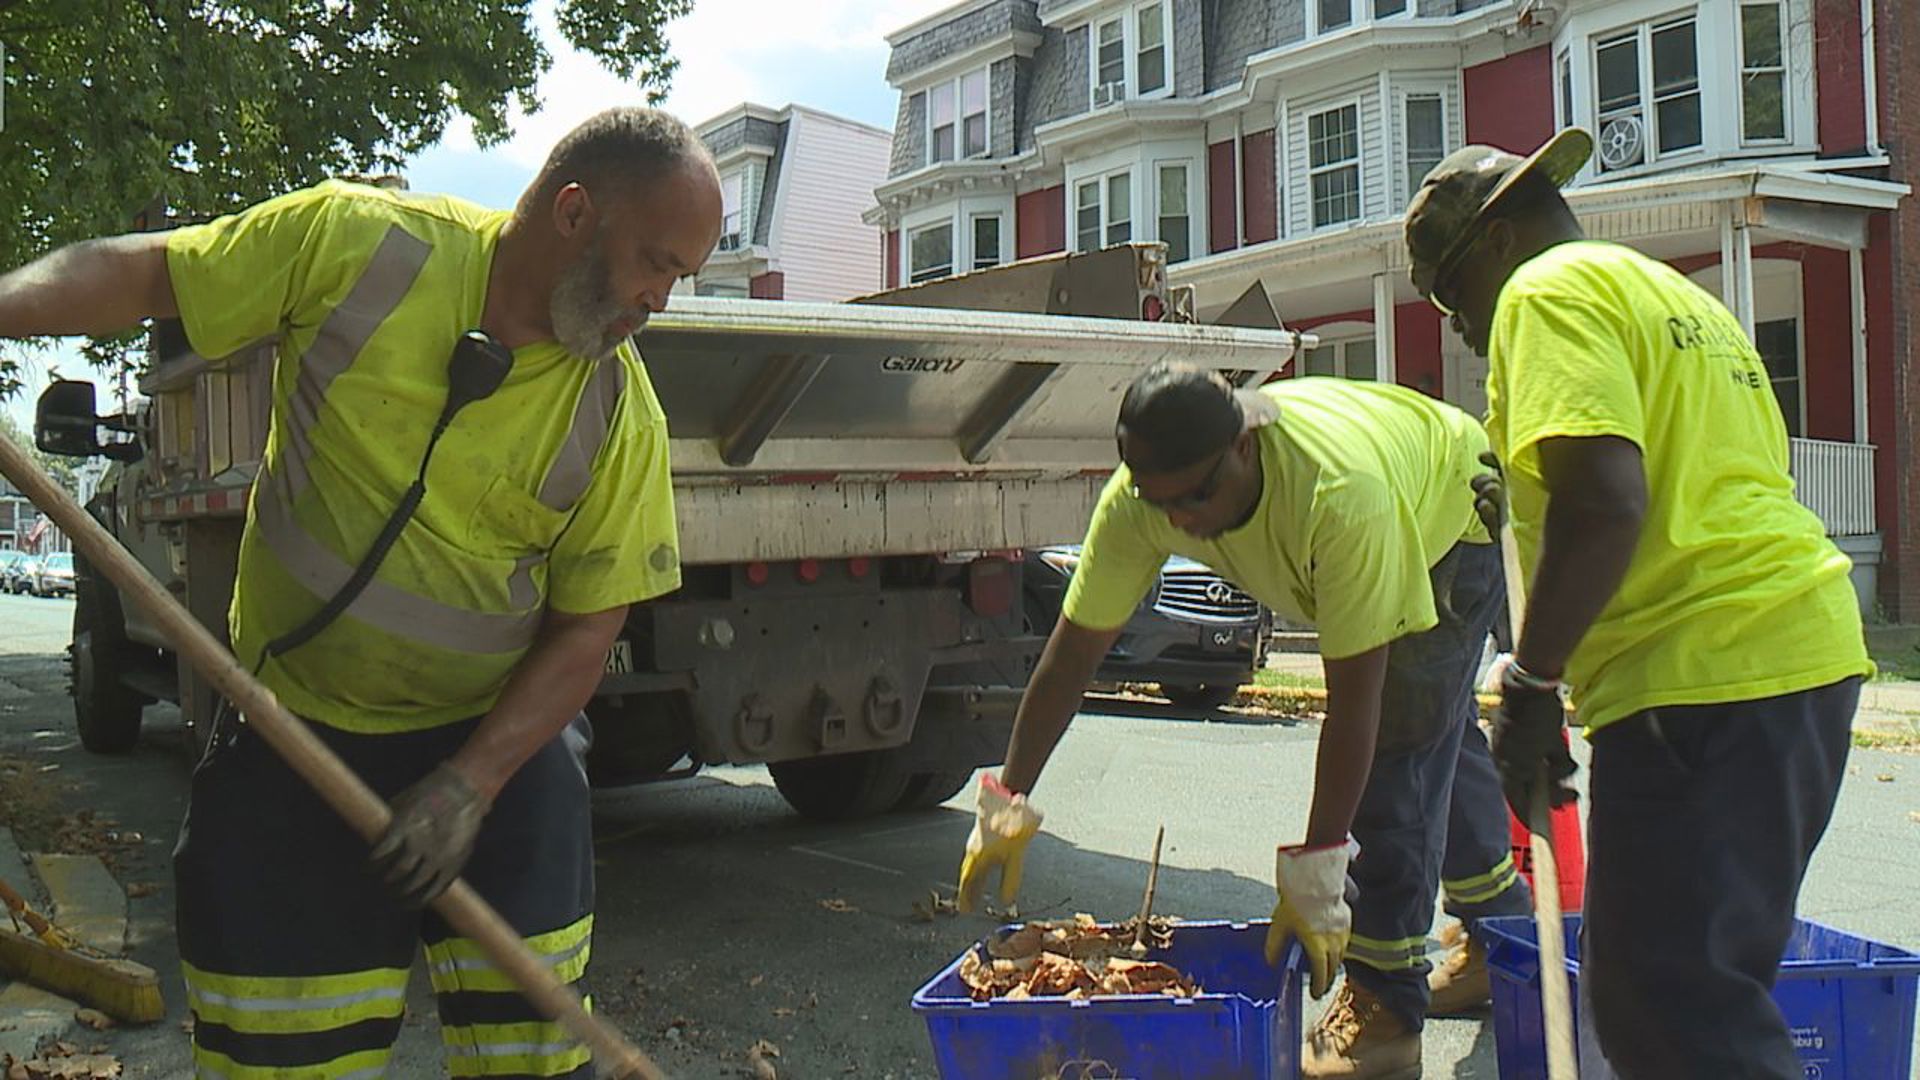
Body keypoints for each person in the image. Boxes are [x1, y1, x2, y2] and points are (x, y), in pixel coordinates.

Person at [0, 106, 721, 1078]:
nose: (661, 299)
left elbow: (591, 625)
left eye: (679, 277)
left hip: (494, 750)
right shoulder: (357, 246)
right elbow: (141, 272)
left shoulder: (618, 407)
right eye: (657, 262)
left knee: (534, 1052)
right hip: (290, 727)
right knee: (279, 1048)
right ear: (575, 211)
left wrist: (471, 784)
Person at [1405, 129, 1871, 1079]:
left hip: (1703, 675)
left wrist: (1532, 685)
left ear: (1492, 246)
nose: (1462, 328)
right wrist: (1524, 492)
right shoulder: (1668, 294)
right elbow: (1674, 477)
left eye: (1454, 300)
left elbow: (1608, 501)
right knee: (1686, 986)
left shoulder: (1540, 294)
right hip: (1796, 652)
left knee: (1673, 1003)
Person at [957, 362, 1531, 1079]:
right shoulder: (1145, 501)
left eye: (1196, 496)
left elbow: (1356, 706)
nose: (1181, 521)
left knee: (1402, 743)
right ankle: (1501, 930)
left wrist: (1319, 870)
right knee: (1432, 728)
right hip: (1387, 473)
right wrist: (1008, 799)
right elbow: (1072, 655)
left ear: (1245, 446)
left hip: (1448, 511)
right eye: (1158, 502)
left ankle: (1387, 1010)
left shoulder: (1338, 498)